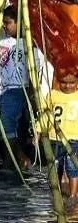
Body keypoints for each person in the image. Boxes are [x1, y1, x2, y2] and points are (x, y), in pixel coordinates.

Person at [0, 6, 45, 169]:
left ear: (19, 23)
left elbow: (35, 70)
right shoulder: (3, 42)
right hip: (0, 89)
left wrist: (32, 93)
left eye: (8, 23)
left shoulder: (31, 44)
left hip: (17, 89)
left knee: (8, 128)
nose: (5, 26)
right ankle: (13, 161)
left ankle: (20, 159)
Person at [42, 71, 78, 205]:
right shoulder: (53, 95)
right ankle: (55, 192)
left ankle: (73, 194)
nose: (68, 86)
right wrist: (39, 131)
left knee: (72, 167)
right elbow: (46, 115)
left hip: (74, 138)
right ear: (58, 81)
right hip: (54, 138)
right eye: (64, 82)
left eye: (72, 83)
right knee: (55, 166)